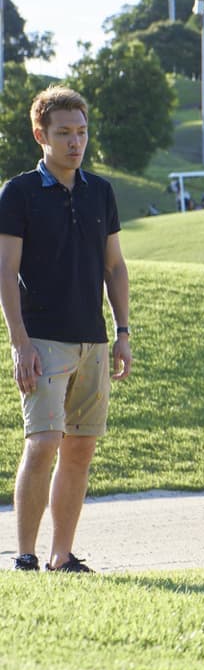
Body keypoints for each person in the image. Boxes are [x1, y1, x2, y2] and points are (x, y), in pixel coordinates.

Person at [0, 86, 133, 572]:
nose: (75, 142)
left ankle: (62, 556)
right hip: (43, 340)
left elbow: (114, 267)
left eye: (81, 132)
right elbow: (4, 271)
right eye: (64, 133)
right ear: (41, 135)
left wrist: (123, 331)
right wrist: (20, 344)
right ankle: (26, 556)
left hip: (93, 341)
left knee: (79, 449)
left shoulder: (101, 191)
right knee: (42, 443)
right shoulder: (18, 194)